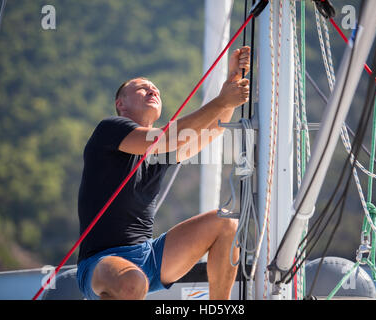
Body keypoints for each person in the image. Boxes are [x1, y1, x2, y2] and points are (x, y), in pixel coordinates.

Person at [76, 46, 251, 300]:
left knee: (225, 223)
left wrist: (232, 81)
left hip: (150, 256)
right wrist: (221, 100)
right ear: (120, 103)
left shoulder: (163, 147)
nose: (153, 89)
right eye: (142, 87)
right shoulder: (109, 130)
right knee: (131, 282)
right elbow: (164, 138)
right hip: (101, 263)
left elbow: (213, 130)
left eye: (155, 88)